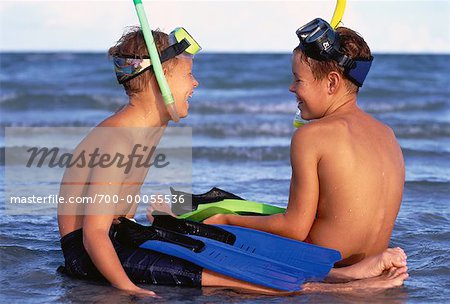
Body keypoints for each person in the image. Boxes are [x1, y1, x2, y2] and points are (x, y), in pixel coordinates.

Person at [58, 26, 407, 298]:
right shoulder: (118, 139)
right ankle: (329, 286)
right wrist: (127, 289)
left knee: (207, 221)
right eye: (187, 76)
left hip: (119, 235)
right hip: (91, 251)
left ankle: (336, 276)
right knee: (206, 258)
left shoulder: (144, 129)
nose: (196, 83)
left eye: (297, 80)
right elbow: (94, 235)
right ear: (161, 81)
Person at [203, 19, 406, 267]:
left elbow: (294, 228)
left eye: (298, 80)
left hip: (327, 273)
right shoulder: (387, 135)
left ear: (332, 83)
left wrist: (225, 220)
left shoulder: (311, 136)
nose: (291, 88)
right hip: (374, 265)